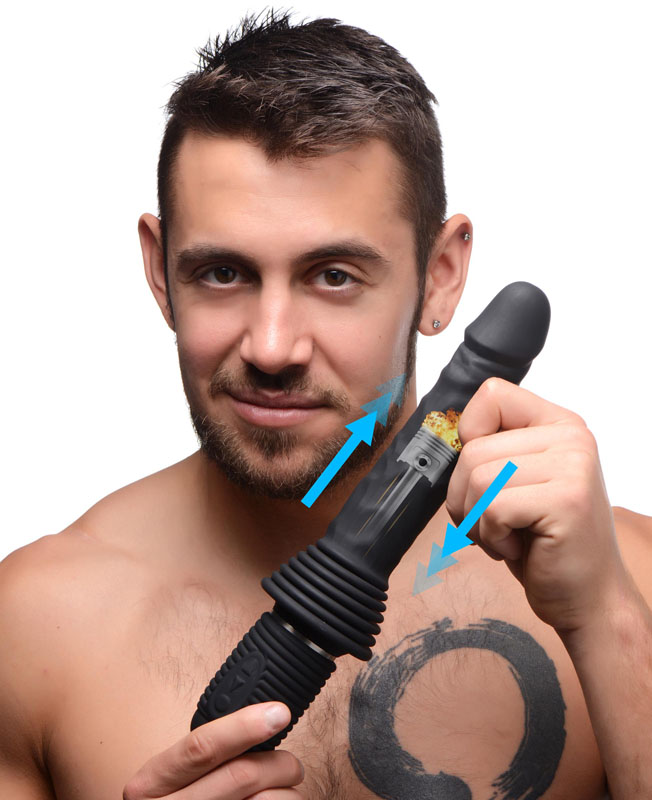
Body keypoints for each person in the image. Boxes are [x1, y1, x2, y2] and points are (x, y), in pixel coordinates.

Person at [1, 8, 650, 800]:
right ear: (160, 271)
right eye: (223, 273)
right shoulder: (30, 630)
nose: (273, 347)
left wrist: (609, 621)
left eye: (334, 276)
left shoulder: (632, 585)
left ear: (440, 278)